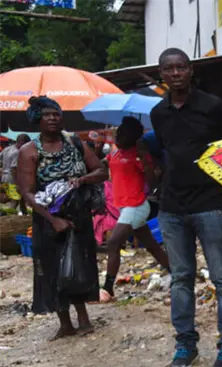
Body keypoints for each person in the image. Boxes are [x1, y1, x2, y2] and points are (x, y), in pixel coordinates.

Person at [151, 47, 222, 367]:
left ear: (190, 70)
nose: (175, 73)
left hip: (210, 205)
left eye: (181, 67)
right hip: (172, 208)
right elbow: (166, 154)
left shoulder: (213, 107)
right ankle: (185, 344)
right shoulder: (158, 113)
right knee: (180, 279)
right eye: (169, 69)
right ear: (161, 75)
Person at [15, 97, 107, 340]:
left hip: (79, 216)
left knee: (81, 264)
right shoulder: (30, 151)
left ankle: (85, 319)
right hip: (48, 221)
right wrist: (53, 220)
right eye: (47, 115)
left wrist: (83, 179)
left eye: (56, 114)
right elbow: (27, 193)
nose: (53, 118)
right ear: (37, 120)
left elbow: (101, 170)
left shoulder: (75, 142)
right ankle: (65, 323)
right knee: (52, 268)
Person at [100, 117, 170, 302]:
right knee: (152, 246)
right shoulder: (114, 153)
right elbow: (104, 166)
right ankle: (177, 272)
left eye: (124, 133)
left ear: (134, 137)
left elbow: (153, 182)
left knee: (114, 243)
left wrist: (145, 161)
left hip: (136, 205)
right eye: (119, 131)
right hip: (124, 206)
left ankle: (108, 288)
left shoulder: (139, 154)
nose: (120, 135)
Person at [2, 134, 30, 214]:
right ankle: (8, 216)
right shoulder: (18, 152)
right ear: (22, 142)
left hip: (5, 176)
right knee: (15, 199)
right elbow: (14, 168)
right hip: (12, 177)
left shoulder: (7, 149)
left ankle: (24, 212)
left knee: (20, 197)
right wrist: (17, 183)